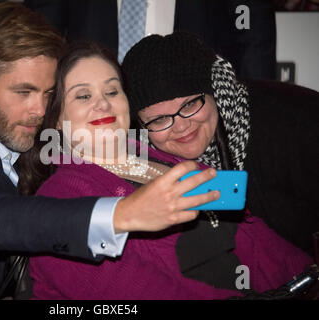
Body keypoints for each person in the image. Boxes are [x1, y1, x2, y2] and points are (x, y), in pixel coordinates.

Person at [0, 3, 219, 299]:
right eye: (23, 92)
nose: (39, 110)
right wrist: (123, 214)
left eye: (48, 94)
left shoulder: (22, 143)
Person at [18, 41, 312, 299]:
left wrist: (308, 282)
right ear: (56, 118)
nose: (103, 103)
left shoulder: (170, 160)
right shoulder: (61, 201)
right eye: (83, 96)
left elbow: (255, 240)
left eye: (112, 90)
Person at [121, 32, 319, 256]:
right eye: (159, 119)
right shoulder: (141, 163)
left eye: (189, 105)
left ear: (215, 90)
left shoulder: (296, 122)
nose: (181, 126)